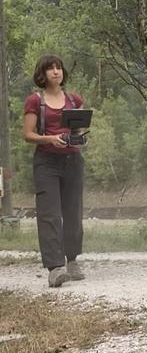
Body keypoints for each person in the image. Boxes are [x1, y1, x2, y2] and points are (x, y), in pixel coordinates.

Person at [21, 54, 87, 288]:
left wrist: (79, 137)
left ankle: (72, 260)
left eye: (59, 68)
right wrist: (50, 138)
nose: (56, 72)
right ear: (43, 74)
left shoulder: (73, 98)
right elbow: (28, 135)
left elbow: (79, 129)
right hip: (46, 162)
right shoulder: (34, 101)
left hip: (73, 160)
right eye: (51, 69)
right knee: (49, 214)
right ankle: (55, 268)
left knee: (73, 212)